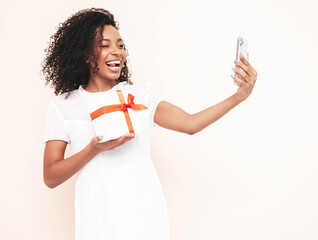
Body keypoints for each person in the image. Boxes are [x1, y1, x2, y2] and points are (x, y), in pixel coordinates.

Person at [41, 8, 258, 240]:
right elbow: (51, 176)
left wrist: (239, 96)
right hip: (98, 220)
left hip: (144, 217)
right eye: (105, 46)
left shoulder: (141, 97)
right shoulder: (64, 106)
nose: (116, 52)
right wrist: (92, 150)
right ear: (85, 53)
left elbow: (190, 123)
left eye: (120, 45)